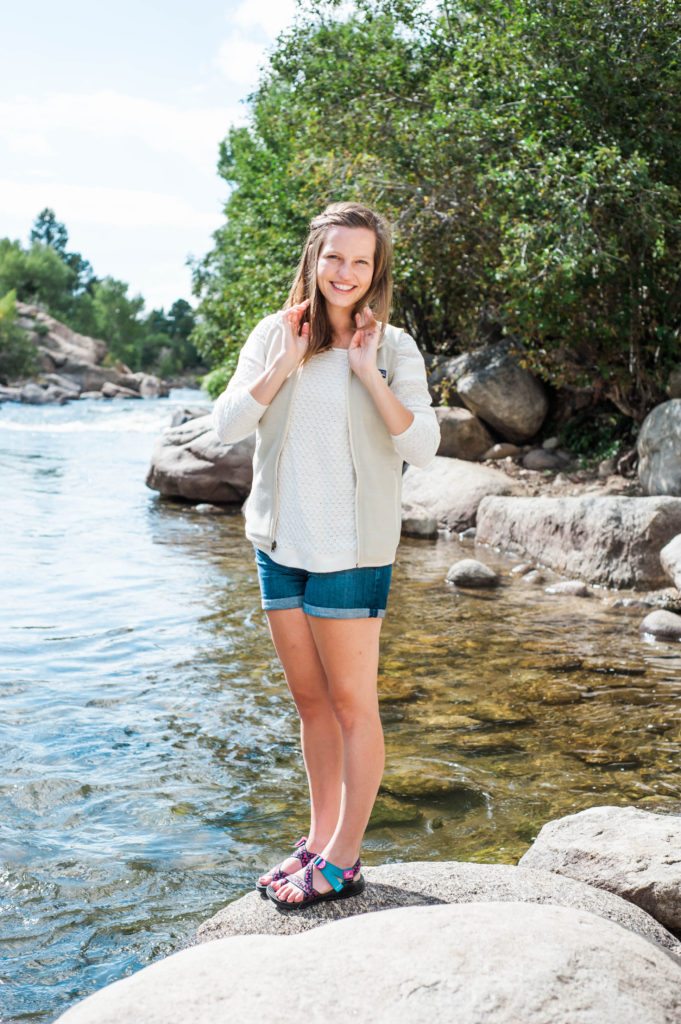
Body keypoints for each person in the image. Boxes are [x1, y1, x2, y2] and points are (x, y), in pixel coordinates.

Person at [211, 201, 440, 910]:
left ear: (376, 273)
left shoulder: (394, 347)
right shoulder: (273, 334)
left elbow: (421, 444)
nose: (345, 272)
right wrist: (283, 364)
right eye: (334, 257)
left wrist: (367, 372)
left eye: (360, 261)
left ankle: (344, 858)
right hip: (279, 544)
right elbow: (224, 427)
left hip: (351, 550)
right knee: (310, 704)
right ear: (313, 259)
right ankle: (318, 840)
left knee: (351, 705)